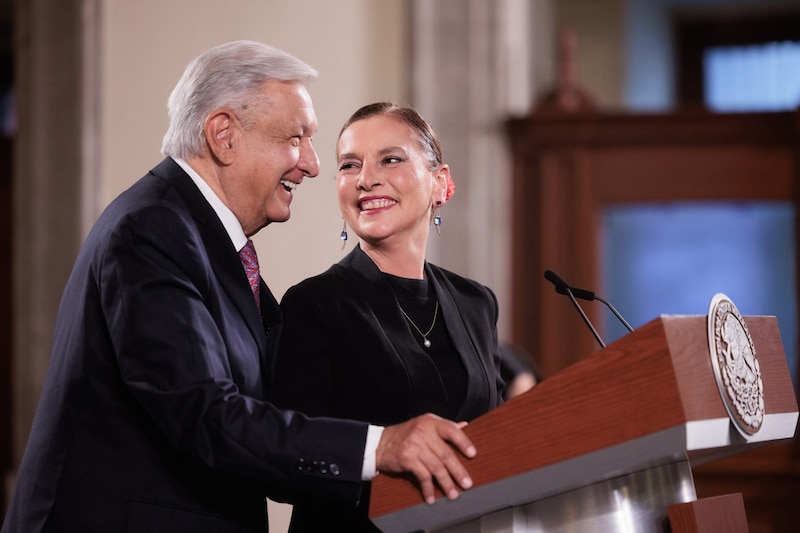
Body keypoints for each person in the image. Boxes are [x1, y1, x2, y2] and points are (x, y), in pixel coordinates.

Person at [1, 42, 477, 533]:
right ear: (224, 135)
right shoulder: (151, 230)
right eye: (296, 138)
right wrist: (383, 446)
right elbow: (204, 413)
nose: (312, 165)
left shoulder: (202, 240)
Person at [271, 102, 505, 531]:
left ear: (441, 183)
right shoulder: (313, 305)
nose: (365, 179)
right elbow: (285, 462)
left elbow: (500, 436)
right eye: (349, 165)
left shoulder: (477, 303)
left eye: (390, 159)